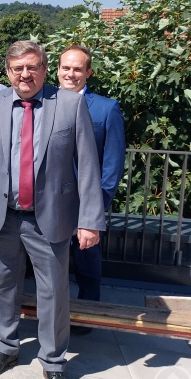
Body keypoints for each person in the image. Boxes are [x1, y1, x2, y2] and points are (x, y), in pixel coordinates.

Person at [0, 41, 105, 379]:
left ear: (44, 69)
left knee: (54, 293)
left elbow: (89, 166)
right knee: (1, 285)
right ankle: (6, 346)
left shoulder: (71, 105)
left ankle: (54, 362)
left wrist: (90, 220)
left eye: (32, 67)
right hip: (2, 216)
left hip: (51, 220)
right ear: (8, 72)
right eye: (16, 69)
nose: (24, 75)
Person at [57, 44, 125, 318]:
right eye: (65, 68)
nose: (70, 74)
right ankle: (55, 315)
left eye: (77, 69)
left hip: (87, 202)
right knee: (51, 264)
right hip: (48, 201)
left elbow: (113, 162)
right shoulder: (43, 102)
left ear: (88, 72)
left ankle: (88, 314)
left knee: (87, 263)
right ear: (57, 70)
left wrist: (97, 205)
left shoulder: (107, 109)